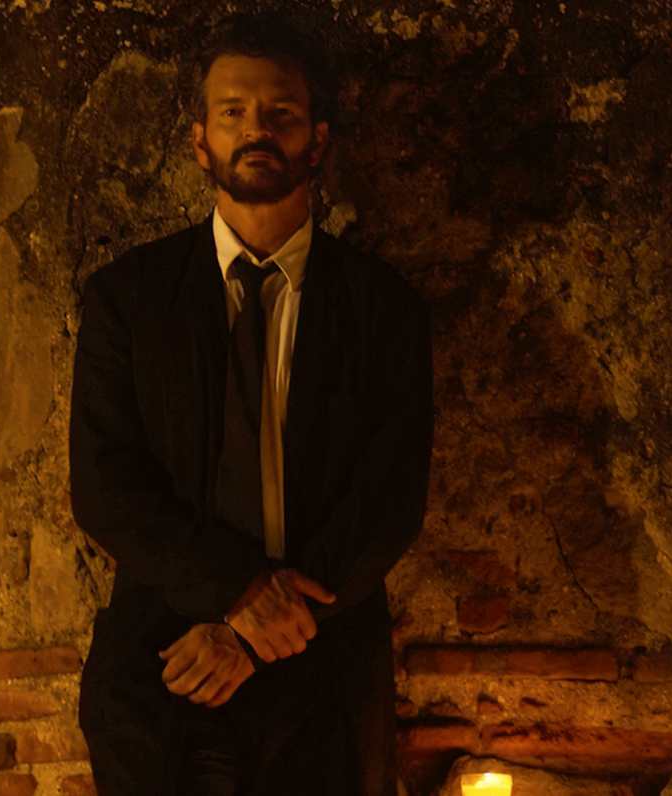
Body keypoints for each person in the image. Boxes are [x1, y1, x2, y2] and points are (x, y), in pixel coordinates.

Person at [69, 13, 433, 795]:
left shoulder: (384, 310)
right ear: (200, 140)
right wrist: (234, 595)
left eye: (281, 113)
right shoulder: (129, 300)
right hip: (164, 659)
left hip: (323, 664)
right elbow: (104, 485)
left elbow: (390, 498)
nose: (256, 130)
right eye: (233, 112)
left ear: (318, 140)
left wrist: (259, 630)